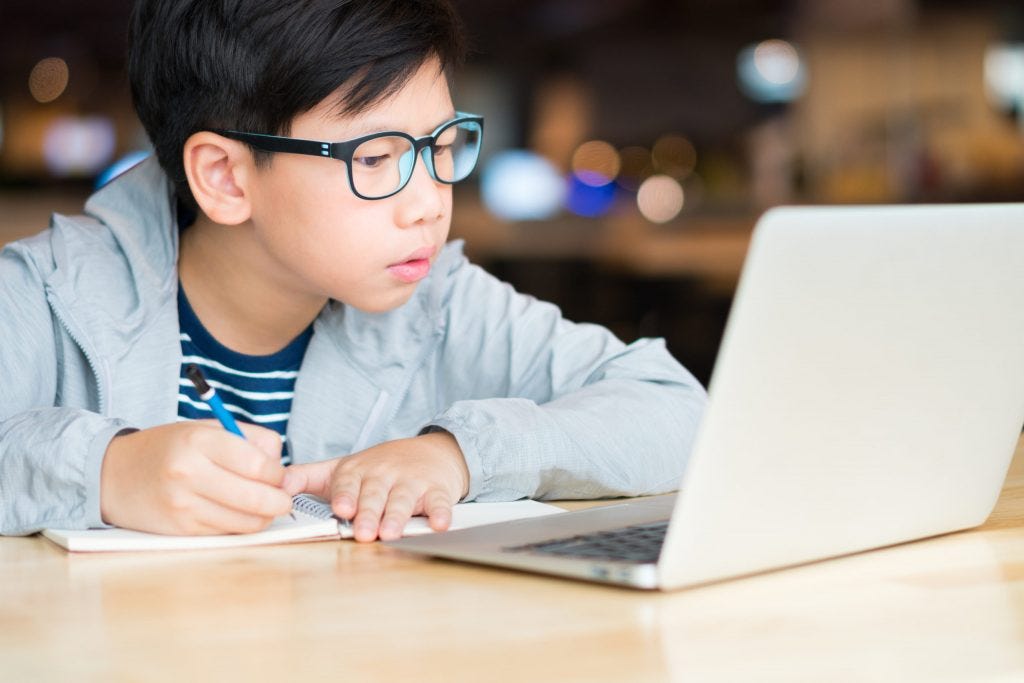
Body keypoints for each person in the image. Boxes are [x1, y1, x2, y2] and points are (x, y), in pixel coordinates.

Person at [0, 0, 706, 541]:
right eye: (375, 158)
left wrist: (460, 455)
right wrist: (102, 471)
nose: (429, 203)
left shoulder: (437, 303)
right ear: (224, 177)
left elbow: (677, 411)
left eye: (442, 144)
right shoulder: (43, 296)